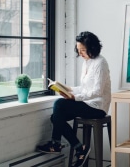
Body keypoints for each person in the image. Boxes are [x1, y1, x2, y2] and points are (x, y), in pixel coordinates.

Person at [37, 31, 111, 167]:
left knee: (59, 104)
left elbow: (97, 91)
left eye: (83, 50)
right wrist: (68, 88)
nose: (80, 53)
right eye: (78, 50)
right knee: (55, 118)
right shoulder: (87, 62)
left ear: (92, 48)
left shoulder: (101, 63)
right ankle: (79, 149)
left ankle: (57, 144)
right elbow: (84, 87)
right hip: (87, 103)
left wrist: (74, 97)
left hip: (98, 107)